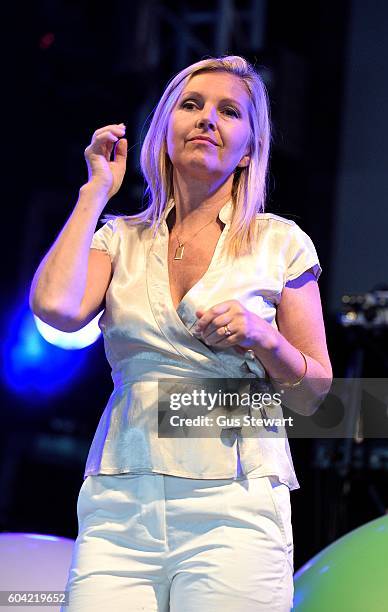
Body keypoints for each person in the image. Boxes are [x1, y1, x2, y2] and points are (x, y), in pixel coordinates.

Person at [30, 55, 332, 611]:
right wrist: (95, 190)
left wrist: (264, 340)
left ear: (248, 149)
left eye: (228, 111)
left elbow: (317, 393)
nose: (206, 120)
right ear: (165, 129)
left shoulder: (280, 241)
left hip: (234, 506)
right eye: (191, 106)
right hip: (121, 499)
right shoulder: (119, 237)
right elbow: (55, 307)